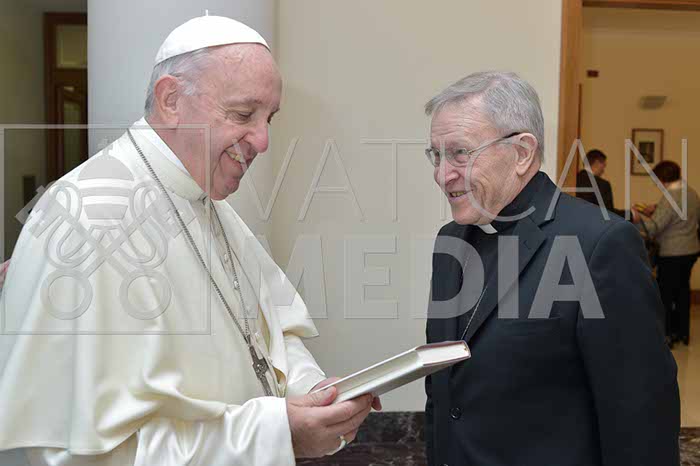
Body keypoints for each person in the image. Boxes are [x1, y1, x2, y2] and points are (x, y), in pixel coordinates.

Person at [0, 15, 378, 466]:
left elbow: (269, 336)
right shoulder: (86, 218)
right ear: (171, 100)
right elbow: (76, 454)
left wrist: (314, 395)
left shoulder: (211, 206)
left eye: (269, 118)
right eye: (243, 114)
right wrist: (279, 435)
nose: (263, 140)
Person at [423, 71, 680, 466]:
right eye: (436, 156)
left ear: (522, 152)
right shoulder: (450, 241)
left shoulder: (600, 245)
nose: (443, 175)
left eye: (460, 153)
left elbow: (641, 423)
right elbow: (444, 391)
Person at [635, 160, 700, 347]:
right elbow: (683, 217)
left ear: (663, 179)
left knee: (666, 294)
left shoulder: (670, 197)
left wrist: (636, 219)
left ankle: (667, 335)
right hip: (691, 250)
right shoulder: (691, 192)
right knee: (682, 292)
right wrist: (656, 210)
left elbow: (654, 228)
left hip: (672, 252)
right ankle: (683, 333)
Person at [576, 149, 637, 221]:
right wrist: (631, 215)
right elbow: (608, 214)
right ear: (597, 163)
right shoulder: (602, 185)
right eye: (603, 166)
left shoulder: (573, 180)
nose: (603, 170)